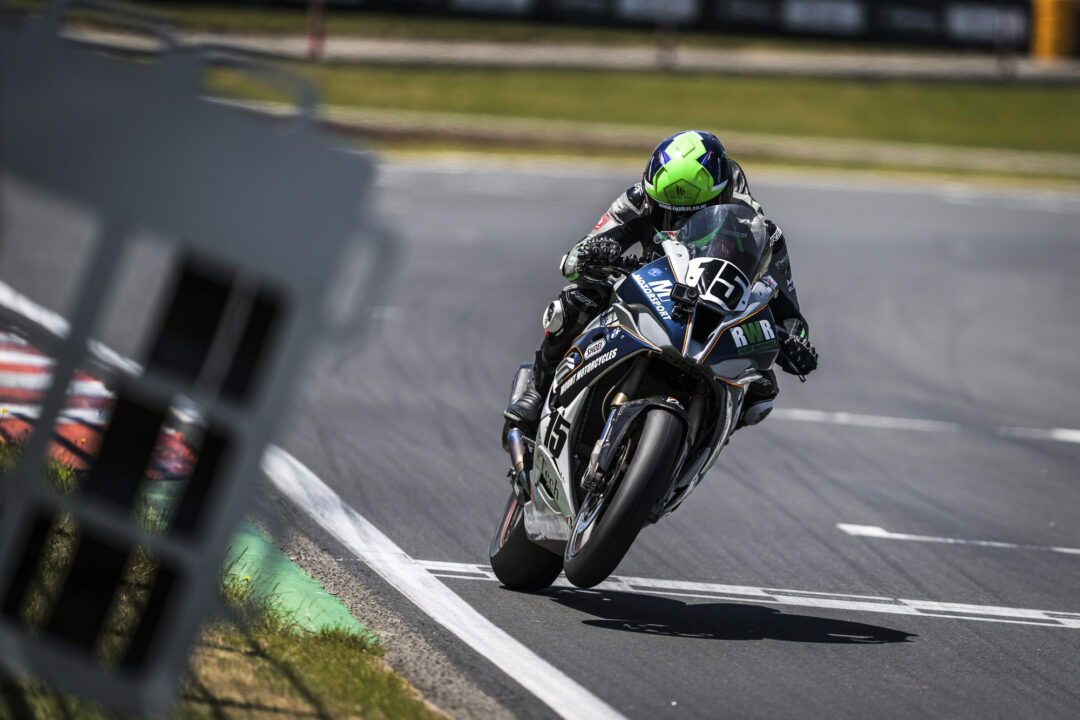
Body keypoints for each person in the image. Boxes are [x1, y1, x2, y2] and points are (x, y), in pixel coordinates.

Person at [504, 130, 818, 436]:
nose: (676, 224)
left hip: (714, 317)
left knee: (760, 393)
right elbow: (574, 261)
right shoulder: (639, 197)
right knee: (577, 300)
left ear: (719, 197)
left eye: (690, 217)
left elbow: (789, 311)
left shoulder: (755, 226)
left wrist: (794, 341)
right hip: (648, 289)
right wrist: (596, 253)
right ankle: (538, 389)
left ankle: (694, 444)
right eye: (666, 213)